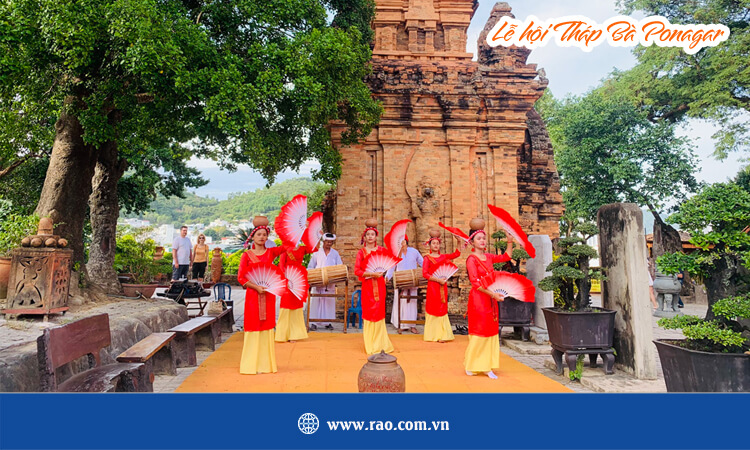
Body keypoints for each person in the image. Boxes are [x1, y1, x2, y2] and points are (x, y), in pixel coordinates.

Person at [238, 217, 289, 375]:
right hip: (253, 295)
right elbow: (241, 278)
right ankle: (250, 365)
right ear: (252, 237)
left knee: (267, 326)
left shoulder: (271, 252)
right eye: (259, 234)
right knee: (253, 326)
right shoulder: (247, 255)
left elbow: (288, 246)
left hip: (267, 295)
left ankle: (265, 365)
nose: (262, 237)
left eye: (265, 234)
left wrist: (295, 231)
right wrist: (255, 287)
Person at [464, 218, 513, 379]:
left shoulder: (490, 257)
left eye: (484, 238)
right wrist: (493, 294)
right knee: (480, 332)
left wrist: (510, 241)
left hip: (492, 299)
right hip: (479, 299)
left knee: (491, 331)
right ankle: (473, 364)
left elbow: (506, 257)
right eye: (479, 238)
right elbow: (474, 283)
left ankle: (487, 366)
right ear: (472, 242)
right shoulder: (471, 260)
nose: (482, 241)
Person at [354, 218, 395, 355]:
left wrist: (386, 275)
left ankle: (381, 344)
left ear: (376, 236)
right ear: (364, 237)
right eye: (368, 235)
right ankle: (371, 345)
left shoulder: (382, 250)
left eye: (373, 234)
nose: (370, 237)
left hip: (380, 285)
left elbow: (390, 263)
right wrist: (370, 273)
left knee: (379, 311)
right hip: (368, 285)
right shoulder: (361, 253)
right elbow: (357, 271)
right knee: (369, 311)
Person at [422, 229, 462, 343]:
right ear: (429, 244)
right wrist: (438, 279)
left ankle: (442, 335)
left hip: (442, 286)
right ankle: (432, 335)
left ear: (440, 245)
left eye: (437, 243)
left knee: (442, 307)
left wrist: (458, 242)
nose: (436, 245)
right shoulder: (427, 258)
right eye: (433, 243)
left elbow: (457, 254)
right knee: (433, 307)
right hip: (433, 286)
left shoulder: (443, 257)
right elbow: (425, 274)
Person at [275, 243, 315, 343]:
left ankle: (294, 334)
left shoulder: (302, 249)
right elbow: (281, 266)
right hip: (288, 278)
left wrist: (318, 235)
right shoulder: (285, 249)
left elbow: (314, 248)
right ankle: (282, 334)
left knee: (297, 306)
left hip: (298, 279)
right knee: (285, 306)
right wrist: (285, 279)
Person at [386, 236, 423, 334]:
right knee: (401, 303)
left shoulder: (414, 252)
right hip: (400, 280)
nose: (402, 243)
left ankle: (412, 325)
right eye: (400, 241)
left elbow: (423, 263)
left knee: (412, 302)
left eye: (403, 241)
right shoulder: (396, 253)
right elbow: (391, 267)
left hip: (413, 280)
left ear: (406, 241)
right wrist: (387, 277)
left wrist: (429, 272)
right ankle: (401, 325)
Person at [307, 233, 343, 330]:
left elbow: (340, 266)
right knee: (316, 301)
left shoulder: (335, 253)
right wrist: (316, 274)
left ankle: (328, 322)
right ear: (323, 241)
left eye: (331, 242)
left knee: (329, 301)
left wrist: (335, 274)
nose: (329, 243)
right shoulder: (316, 253)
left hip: (330, 281)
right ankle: (313, 322)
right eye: (327, 241)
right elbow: (310, 266)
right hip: (318, 280)